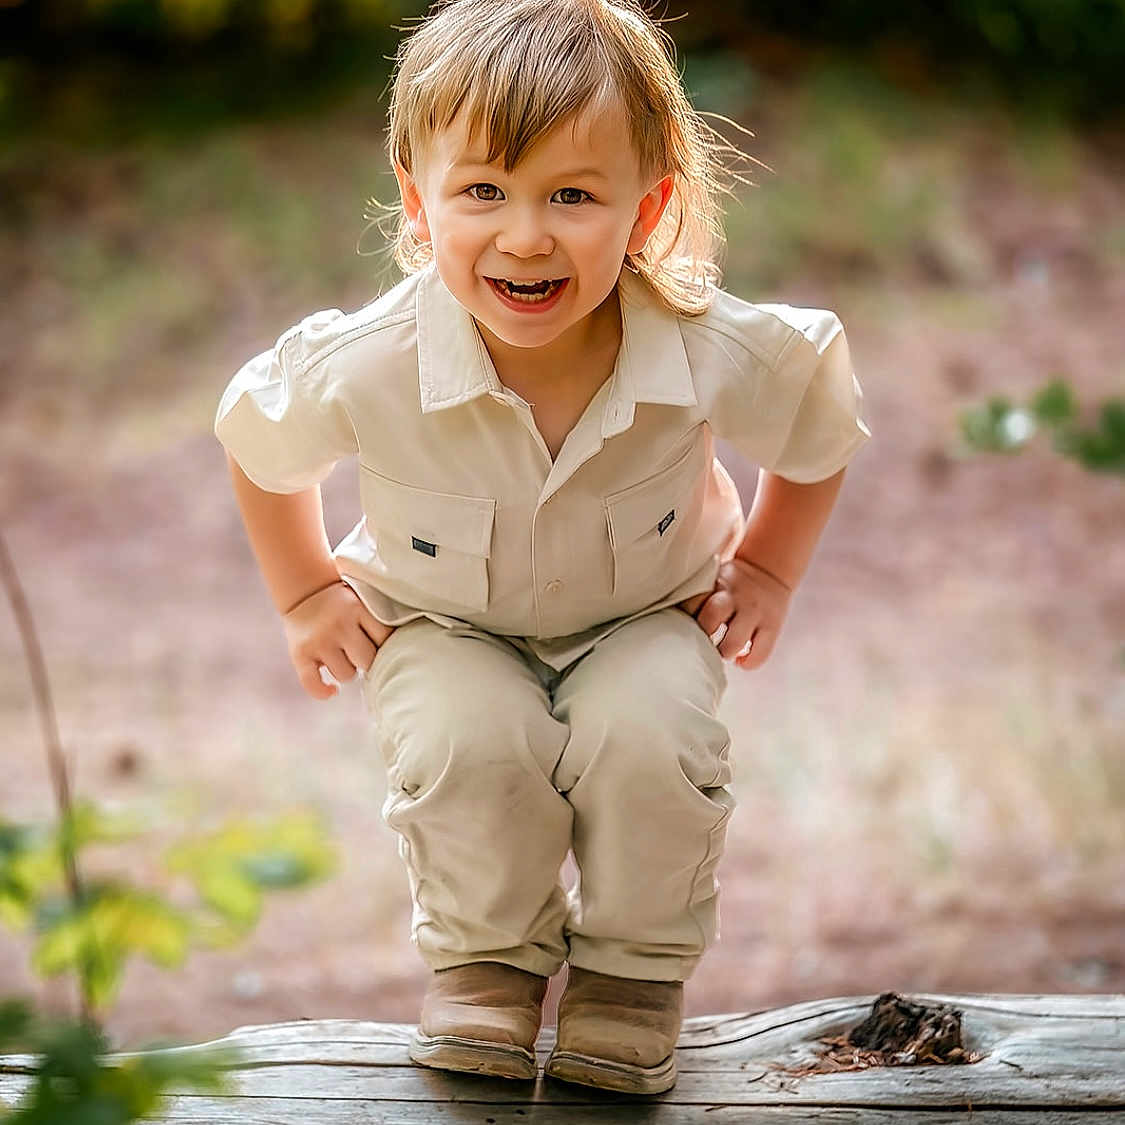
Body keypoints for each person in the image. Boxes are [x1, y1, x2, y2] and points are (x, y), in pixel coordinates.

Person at [213, 0, 871, 1096]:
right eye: (484, 192)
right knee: (471, 748)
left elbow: (817, 419)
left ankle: (628, 980)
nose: (526, 236)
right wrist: (304, 594)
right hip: (442, 624)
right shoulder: (373, 362)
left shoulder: (702, 345)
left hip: (644, 617)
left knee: (653, 738)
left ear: (646, 204)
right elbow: (259, 441)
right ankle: (487, 969)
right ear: (418, 199)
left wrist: (765, 567)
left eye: (572, 195)